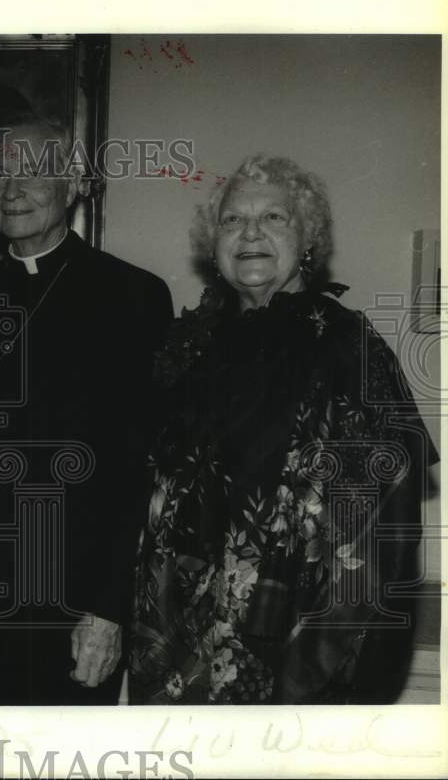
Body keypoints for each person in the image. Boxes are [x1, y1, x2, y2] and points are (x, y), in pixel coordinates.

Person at [130, 155, 436, 704]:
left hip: (302, 648)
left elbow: (394, 523)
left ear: (308, 240)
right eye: (231, 220)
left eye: (274, 217)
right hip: (181, 646)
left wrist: (369, 669)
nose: (249, 233)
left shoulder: (351, 348)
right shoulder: (187, 345)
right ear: (213, 243)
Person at [0, 115, 174, 704]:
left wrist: (109, 609)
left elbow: (141, 467)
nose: (11, 191)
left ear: (74, 184)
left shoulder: (134, 296)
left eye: (33, 173)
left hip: (76, 610)